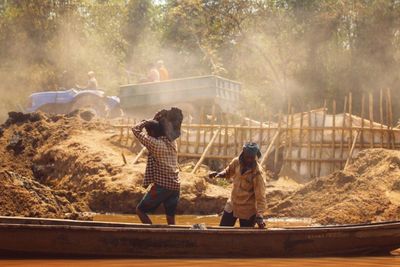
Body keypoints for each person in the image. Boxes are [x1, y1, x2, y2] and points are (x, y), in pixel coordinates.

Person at [132, 119, 180, 225]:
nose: (148, 135)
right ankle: (174, 237)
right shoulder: (172, 142)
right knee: (170, 218)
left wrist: (144, 122)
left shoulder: (155, 144)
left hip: (162, 186)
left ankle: (151, 233)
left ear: (152, 133)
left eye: (148, 133)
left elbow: (135, 130)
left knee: (140, 210)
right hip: (175, 185)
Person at [209, 142, 267, 228]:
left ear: (255, 156)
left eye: (252, 158)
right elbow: (228, 171)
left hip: (248, 210)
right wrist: (219, 174)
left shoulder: (258, 173)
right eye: (247, 157)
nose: (249, 160)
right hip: (232, 205)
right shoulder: (236, 162)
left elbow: (260, 196)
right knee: (222, 231)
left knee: (245, 237)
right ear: (243, 153)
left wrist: (260, 215)